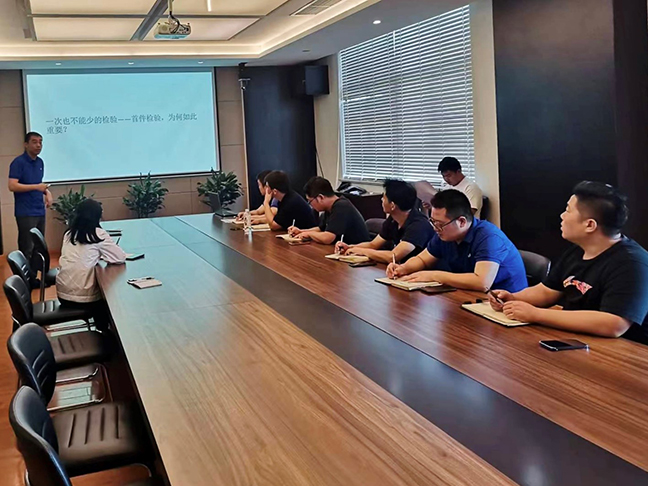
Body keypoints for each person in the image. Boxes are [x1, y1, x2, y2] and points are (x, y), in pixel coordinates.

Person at [489, 181, 648, 343]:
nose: (562, 216)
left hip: (626, 350)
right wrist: (512, 298)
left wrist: (536, 314)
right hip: (578, 339)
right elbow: (546, 292)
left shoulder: (633, 263)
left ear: (589, 225)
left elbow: (614, 325)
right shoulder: (577, 251)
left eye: (568, 210)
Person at [386, 189, 527, 292]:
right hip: (470, 297)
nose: (435, 228)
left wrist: (434, 275)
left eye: (439, 224)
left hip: (506, 304)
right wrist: (403, 268)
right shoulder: (444, 234)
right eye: (432, 221)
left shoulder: (488, 237)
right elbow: (422, 259)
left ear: (461, 222)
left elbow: (482, 282)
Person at [335, 179, 434, 263]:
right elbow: (373, 245)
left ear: (392, 205)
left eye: (384, 197)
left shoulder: (419, 225)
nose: (381, 200)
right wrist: (350, 247)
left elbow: (394, 256)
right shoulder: (393, 219)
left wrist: (362, 251)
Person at [56, 199, 126, 312]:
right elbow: (120, 257)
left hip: (62, 295)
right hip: (84, 298)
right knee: (111, 301)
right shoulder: (98, 234)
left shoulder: (69, 234)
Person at [8, 132, 53, 284]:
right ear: (26, 144)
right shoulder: (18, 162)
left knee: (38, 247)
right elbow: (12, 185)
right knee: (27, 247)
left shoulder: (40, 162)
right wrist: (36, 187)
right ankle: (23, 281)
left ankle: (33, 278)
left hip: (39, 209)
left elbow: (39, 184)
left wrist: (47, 192)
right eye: (34, 142)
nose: (38, 145)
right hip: (25, 211)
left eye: (41, 142)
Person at [289, 176, 370, 245]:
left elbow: (328, 238)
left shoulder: (341, 206)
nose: (310, 205)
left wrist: (308, 234)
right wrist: (301, 231)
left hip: (357, 252)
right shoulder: (330, 207)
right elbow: (321, 229)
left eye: (310, 201)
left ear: (320, 198)